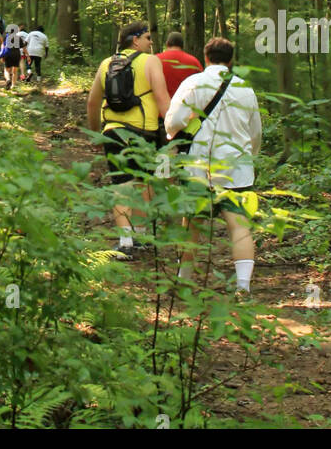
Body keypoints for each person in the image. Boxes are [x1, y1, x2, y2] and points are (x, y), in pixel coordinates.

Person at [164, 36, 262, 300]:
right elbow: (255, 133)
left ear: (205, 57)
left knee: (192, 224)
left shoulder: (193, 83)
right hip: (236, 168)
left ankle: (184, 281)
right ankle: (243, 287)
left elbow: (172, 123)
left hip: (198, 166)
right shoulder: (245, 88)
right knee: (239, 227)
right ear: (231, 61)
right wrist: (249, 158)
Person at [86, 21, 170, 260]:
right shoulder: (151, 61)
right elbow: (163, 100)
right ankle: (141, 237)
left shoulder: (106, 64)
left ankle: (125, 243)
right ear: (135, 40)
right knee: (144, 182)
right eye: (148, 38)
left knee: (121, 184)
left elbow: (92, 103)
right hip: (145, 131)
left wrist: (95, 134)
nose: (151, 43)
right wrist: (174, 131)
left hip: (113, 131)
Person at [157, 30, 202, 97]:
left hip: (160, 104)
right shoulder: (194, 61)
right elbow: (201, 85)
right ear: (182, 45)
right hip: (186, 104)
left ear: (167, 43)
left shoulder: (156, 60)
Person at [2, 22, 23, 89]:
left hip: (8, 54)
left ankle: (8, 80)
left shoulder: (6, 37)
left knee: (6, 69)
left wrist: (2, 55)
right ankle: (13, 85)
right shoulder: (18, 38)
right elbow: (23, 47)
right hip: (16, 54)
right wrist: (28, 56)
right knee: (15, 71)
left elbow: (3, 46)